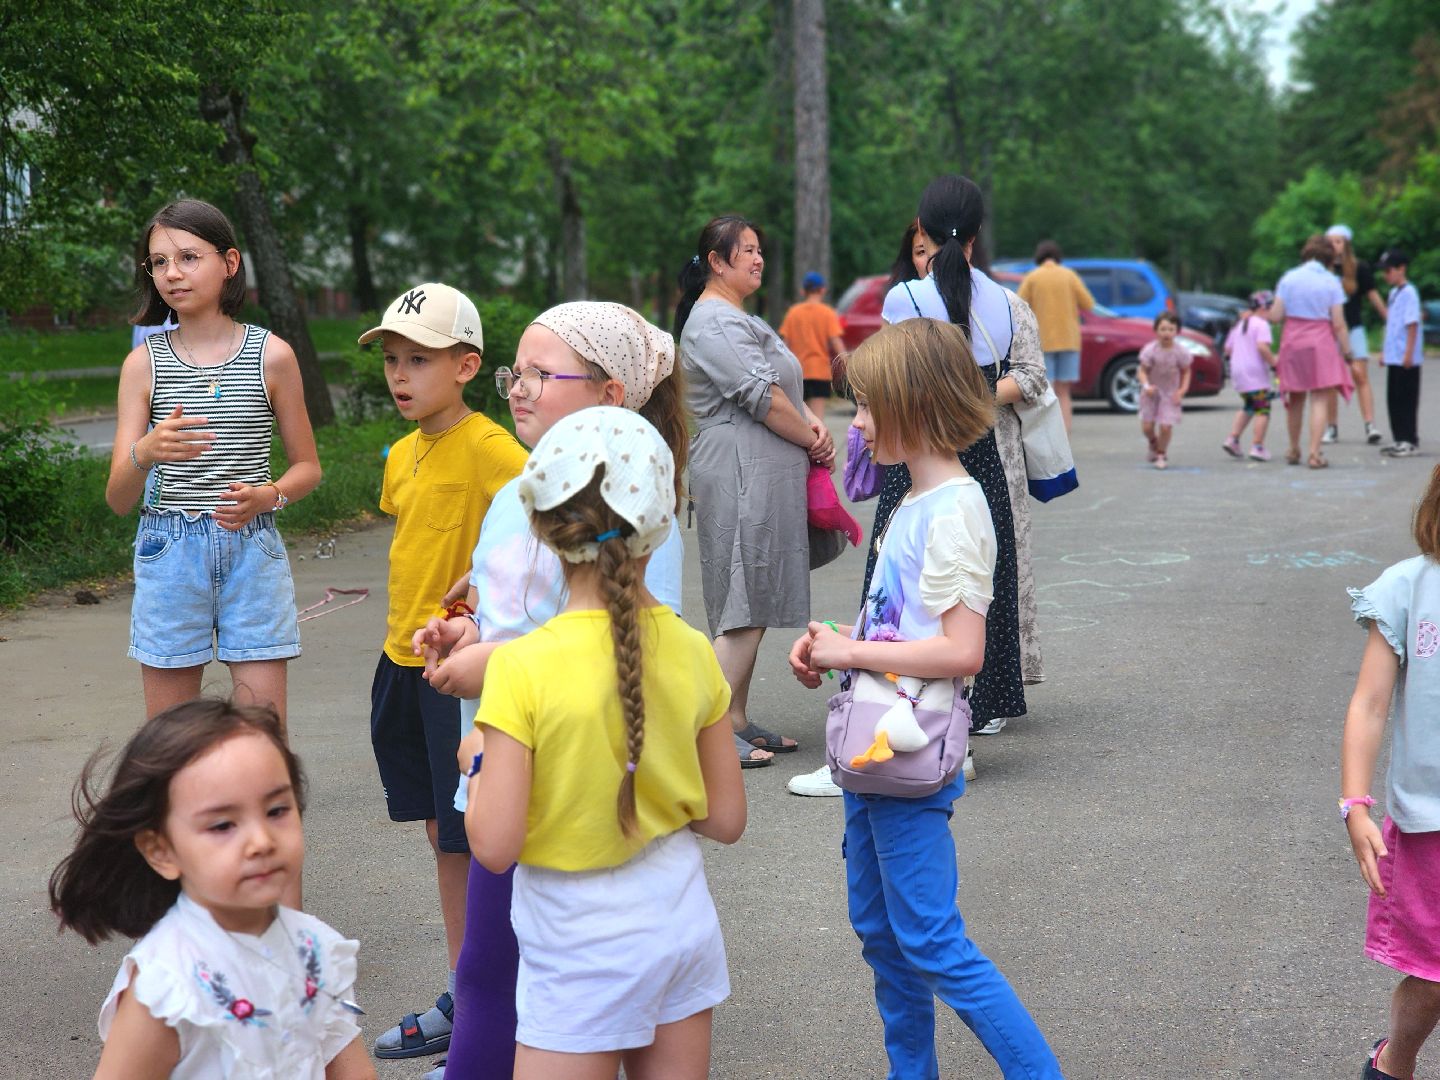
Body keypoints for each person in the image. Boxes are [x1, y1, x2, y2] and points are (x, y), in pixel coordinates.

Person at [407, 302, 689, 1080]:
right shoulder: (518, 491)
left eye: (541, 373)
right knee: (491, 969)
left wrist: (489, 665)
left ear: (611, 395)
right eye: (515, 373)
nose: (519, 389)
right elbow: (519, 614)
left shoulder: (631, 511)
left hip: (567, 787)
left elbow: (625, 647)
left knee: (516, 972)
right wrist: (469, 636)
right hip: (503, 761)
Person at [787, 319, 1063, 1079]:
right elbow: (899, 626)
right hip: (873, 748)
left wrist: (851, 651)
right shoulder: (914, 500)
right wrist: (834, 640)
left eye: (870, 407)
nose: (859, 423)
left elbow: (961, 651)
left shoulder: (954, 510)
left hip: (908, 755)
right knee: (880, 930)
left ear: (919, 403)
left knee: (932, 940)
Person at [466, 408, 746, 1080]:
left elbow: (494, 845)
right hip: (680, 931)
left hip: (577, 948)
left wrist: (477, 762)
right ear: (663, 518)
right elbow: (726, 819)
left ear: (541, 524)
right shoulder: (695, 651)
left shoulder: (520, 667)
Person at [359, 284, 528, 1064]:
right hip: (402, 660)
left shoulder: (492, 445)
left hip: (457, 664)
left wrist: (482, 586)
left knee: (469, 835)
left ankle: (479, 996)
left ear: (466, 365)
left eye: (419, 359)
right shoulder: (402, 453)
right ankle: (470, 984)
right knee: (438, 830)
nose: (401, 374)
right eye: (393, 359)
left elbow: (537, 519)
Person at [48, 700, 374, 1079]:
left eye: (276, 811)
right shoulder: (167, 987)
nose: (261, 841)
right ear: (161, 850)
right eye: (222, 825)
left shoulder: (315, 948)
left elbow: (354, 1071)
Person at [105, 199, 322, 725]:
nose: (172, 273)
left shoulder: (273, 356)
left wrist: (269, 496)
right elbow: (117, 498)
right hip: (169, 553)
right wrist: (147, 451)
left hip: (253, 551)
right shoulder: (142, 364)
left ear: (229, 263)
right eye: (158, 262)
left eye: (187, 257)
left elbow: (307, 468)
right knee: (171, 742)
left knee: (262, 733)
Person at [871, 178, 1028, 739]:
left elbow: (892, 376)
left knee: (903, 576)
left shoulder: (905, 299)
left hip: (919, 448)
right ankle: (980, 708)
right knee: (980, 575)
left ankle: (898, 703)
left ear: (923, 229)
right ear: (976, 234)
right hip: (979, 450)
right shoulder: (1006, 302)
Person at [676, 216, 836, 767]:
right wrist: (813, 437)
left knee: (751, 594)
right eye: (746, 250)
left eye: (759, 250)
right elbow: (760, 397)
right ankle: (708, 734)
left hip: (757, 469)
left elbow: (775, 392)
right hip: (743, 469)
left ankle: (735, 719)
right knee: (745, 599)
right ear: (716, 262)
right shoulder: (715, 321)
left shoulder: (732, 316)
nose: (758, 258)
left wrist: (812, 428)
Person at [1342, 464, 1440, 1080]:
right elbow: (1370, 704)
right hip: (1431, 819)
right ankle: (1396, 1058)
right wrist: (1355, 803)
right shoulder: (1408, 587)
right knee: (1433, 979)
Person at [1268, 234, 1355, 469]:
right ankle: (1314, 453)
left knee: (1295, 397)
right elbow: (1338, 322)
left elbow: (1275, 316)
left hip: (1293, 341)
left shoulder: (1289, 278)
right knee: (1319, 397)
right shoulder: (1331, 282)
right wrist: (1347, 351)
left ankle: (1293, 448)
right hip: (1321, 343)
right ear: (1328, 258)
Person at [1018, 240, 1094, 433]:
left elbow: (1018, 306)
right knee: (1064, 391)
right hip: (1069, 340)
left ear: (1039, 257)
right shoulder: (1069, 276)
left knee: (1045, 391)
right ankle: (1066, 431)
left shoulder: (1033, 277)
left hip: (1043, 342)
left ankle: (1049, 432)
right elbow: (1087, 303)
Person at [1323, 224, 1387, 445]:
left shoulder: (1359, 268)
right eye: (1330, 241)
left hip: (1354, 327)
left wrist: (1388, 316)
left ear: (1346, 244)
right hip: (1329, 331)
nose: (1334, 246)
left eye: (1338, 241)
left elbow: (1372, 295)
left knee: (1360, 374)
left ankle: (1370, 424)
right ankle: (1331, 427)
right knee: (1330, 381)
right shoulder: (1322, 270)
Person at [778, 271, 847, 418]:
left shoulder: (793, 313)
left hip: (797, 372)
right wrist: (847, 363)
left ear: (803, 291)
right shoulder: (827, 313)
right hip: (819, 372)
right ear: (823, 289)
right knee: (817, 419)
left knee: (800, 417)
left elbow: (785, 344)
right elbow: (836, 341)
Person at [1221, 292, 1279, 461]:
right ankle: (1257, 446)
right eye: (1272, 307)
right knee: (1263, 409)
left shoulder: (1240, 325)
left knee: (1249, 405)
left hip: (1239, 374)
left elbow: (1228, 349)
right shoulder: (1261, 324)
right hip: (1255, 375)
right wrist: (1274, 362)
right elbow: (1262, 347)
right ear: (1263, 307)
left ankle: (1233, 439)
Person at [1378, 249, 1424, 459]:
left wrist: (1409, 353)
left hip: (1406, 357)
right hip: (1394, 354)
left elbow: (1412, 324)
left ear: (1401, 269)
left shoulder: (1409, 293)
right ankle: (1399, 438)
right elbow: (1391, 324)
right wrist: (1384, 351)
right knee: (1393, 398)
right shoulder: (1393, 293)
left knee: (1406, 398)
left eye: (1389, 270)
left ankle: (1409, 439)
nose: (1385, 275)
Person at [1137, 312, 1192, 470]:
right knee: (1147, 427)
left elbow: (1186, 370)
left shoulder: (1180, 351)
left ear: (1177, 331)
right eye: (1163, 329)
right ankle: (1153, 443)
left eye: (1171, 329)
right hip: (1152, 392)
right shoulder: (1150, 350)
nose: (1166, 333)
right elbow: (1142, 371)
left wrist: (1182, 390)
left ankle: (1161, 453)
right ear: (1156, 330)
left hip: (1170, 393)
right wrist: (1146, 386)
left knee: (1166, 426)